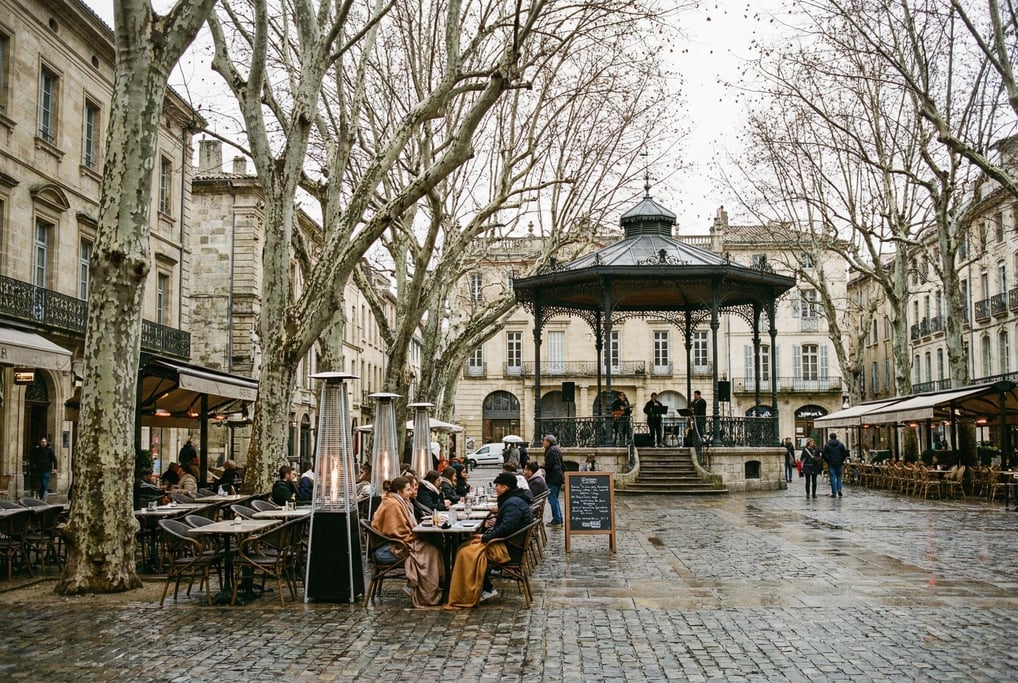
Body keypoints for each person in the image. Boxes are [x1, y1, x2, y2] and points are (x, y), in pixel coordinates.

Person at [446, 472, 535, 607]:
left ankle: (479, 590)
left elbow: (506, 527)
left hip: (509, 549)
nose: (496, 488)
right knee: (466, 546)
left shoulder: (512, 504)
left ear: (505, 487)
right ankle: (483, 588)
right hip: (508, 544)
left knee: (466, 553)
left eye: (498, 486)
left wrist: (486, 538)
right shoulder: (514, 500)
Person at [372, 476, 444, 607]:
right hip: (387, 549)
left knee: (433, 548)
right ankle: (426, 594)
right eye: (408, 490)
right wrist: (416, 535)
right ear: (399, 492)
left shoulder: (399, 501)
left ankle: (435, 588)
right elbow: (397, 531)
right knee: (430, 552)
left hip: (393, 543)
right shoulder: (392, 504)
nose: (411, 492)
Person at [542, 435, 565, 526]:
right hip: (558, 476)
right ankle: (559, 518)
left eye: (544, 441)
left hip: (553, 477)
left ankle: (557, 519)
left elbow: (548, 464)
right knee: (555, 498)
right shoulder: (556, 449)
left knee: (552, 499)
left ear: (549, 442)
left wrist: (543, 465)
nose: (543, 442)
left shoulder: (551, 451)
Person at [822, 432, 850, 497]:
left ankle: (834, 492)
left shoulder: (827, 445)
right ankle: (839, 489)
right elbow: (845, 453)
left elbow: (823, 454)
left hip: (831, 463)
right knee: (839, 477)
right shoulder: (840, 444)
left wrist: (827, 461)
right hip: (839, 463)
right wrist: (841, 460)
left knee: (832, 477)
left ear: (830, 437)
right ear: (835, 437)